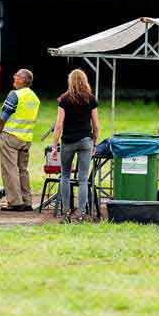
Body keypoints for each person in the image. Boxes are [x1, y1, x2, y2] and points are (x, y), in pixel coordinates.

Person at [52, 69, 100, 221]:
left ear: (70, 81)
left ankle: (66, 211)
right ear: (85, 81)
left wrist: (54, 145)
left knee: (65, 176)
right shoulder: (91, 99)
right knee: (83, 179)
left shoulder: (64, 100)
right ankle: (80, 212)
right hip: (86, 140)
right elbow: (96, 125)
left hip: (68, 141)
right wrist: (95, 143)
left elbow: (58, 125)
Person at [0, 68, 40, 211]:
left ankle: (15, 202)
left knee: (10, 169)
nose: (14, 76)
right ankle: (27, 201)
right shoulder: (34, 97)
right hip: (26, 139)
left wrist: (0, 129)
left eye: (17, 75)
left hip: (11, 137)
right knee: (23, 170)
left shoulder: (15, 94)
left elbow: (4, 115)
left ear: (23, 80)